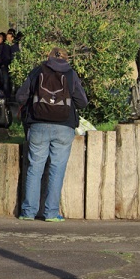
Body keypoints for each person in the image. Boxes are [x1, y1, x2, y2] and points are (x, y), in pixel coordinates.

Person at [16, 47, 88, 222]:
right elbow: (82, 102)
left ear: (48, 57)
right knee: (57, 169)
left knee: (35, 168)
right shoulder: (71, 74)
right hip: (64, 127)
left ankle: (28, 212)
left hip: (38, 125)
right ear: (67, 59)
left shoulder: (37, 71)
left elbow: (20, 97)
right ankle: (51, 213)